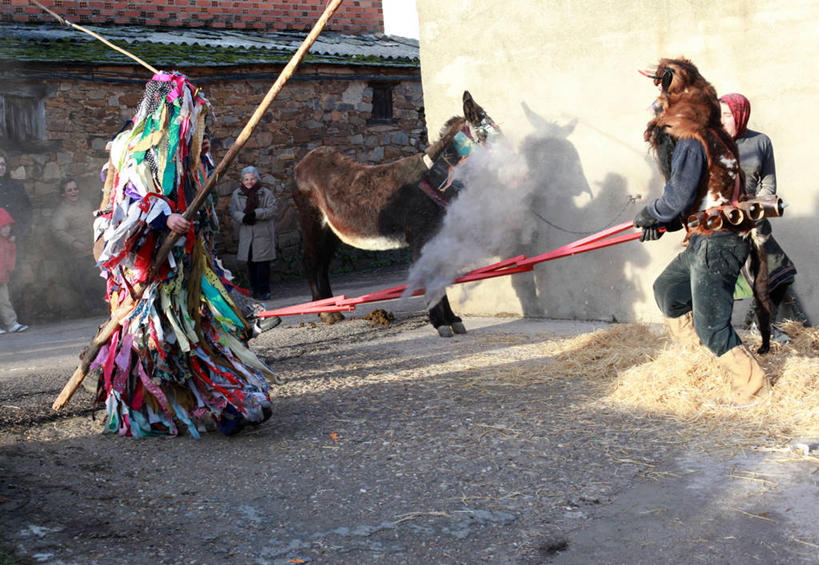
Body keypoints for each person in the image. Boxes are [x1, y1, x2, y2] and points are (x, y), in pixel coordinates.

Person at [90, 72, 276, 437]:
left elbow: (197, 195)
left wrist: (200, 162)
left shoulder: (188, 152)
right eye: (183, 112)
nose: (189, 121)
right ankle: (174, 408)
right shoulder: (132, 146)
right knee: (157, 340)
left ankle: (230, 403)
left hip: (187, 263)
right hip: (149, 266)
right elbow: (125, 201)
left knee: (199, 332)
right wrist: (163, 217)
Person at [634, 57, 766, 405]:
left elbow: (677, 197)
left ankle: (753, 390)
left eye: (663, 94)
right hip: (706, 236)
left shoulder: (694, 137)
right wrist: (664, 223)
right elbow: (702, 195)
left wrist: (652, 213)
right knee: (669, 290)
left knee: (712, 326)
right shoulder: (715, 134)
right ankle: (698, 361)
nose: (660, 105)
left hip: (717, 242)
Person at [718, 93, 807, 336]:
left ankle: (761, 326)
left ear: (741, 116)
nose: (722, 119)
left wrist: (756, 208)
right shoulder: (710, 142)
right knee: (718, 280)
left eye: (727, 114)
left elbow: (768, 184)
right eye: (719, 114)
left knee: (781, 274)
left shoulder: (760, 142)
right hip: (720, 221)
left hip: (754, 220)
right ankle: (717, 332)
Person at [51, 178, 106, 315]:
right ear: (63, 194)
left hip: (95, 250)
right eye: (69, 190)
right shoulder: (62, 212)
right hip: (79, 254)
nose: (73, 192)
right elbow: (58, 231)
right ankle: (92, 309)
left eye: (75, 189)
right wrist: (74, 243)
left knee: (99, 278)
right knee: (86, 282)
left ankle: (104, 305)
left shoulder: (86, 204)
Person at [229, 166, 278, 300]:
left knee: (263, 264)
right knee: (251, 264)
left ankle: (264, 290)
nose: (249, 182)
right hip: (247, 234)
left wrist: (256, 213)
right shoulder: (237, 194)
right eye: (246, 179)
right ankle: (255, 290)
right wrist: (243, 217)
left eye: (252, 179)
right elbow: (233, 210)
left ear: (257, 179)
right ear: (242, 181)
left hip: (262, 234)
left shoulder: (266, 193)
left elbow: (273, 209)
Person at [0, 208, 28, 334]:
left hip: (2, 277)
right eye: (3, 227)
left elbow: (9, 258)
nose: (6, 229)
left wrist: (8, 271)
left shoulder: (7, 242)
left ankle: (11, 323)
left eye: (8, 226)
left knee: (5, 301)